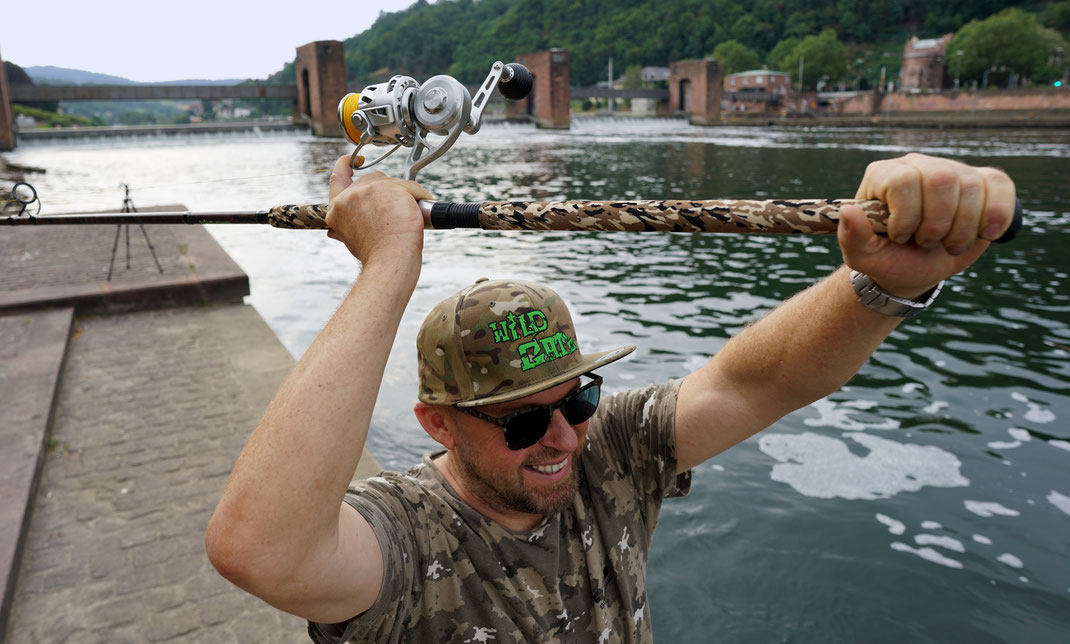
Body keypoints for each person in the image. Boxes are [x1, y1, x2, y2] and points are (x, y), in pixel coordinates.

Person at [205, 153, 1017, 643]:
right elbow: (261, 549)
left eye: (577, 401)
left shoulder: (610, 452)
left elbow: (754, 382)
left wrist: (876, 284)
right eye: (521, 419)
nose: (561, 437)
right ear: (437, 425)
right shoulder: (407, 538)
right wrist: (388, 265)